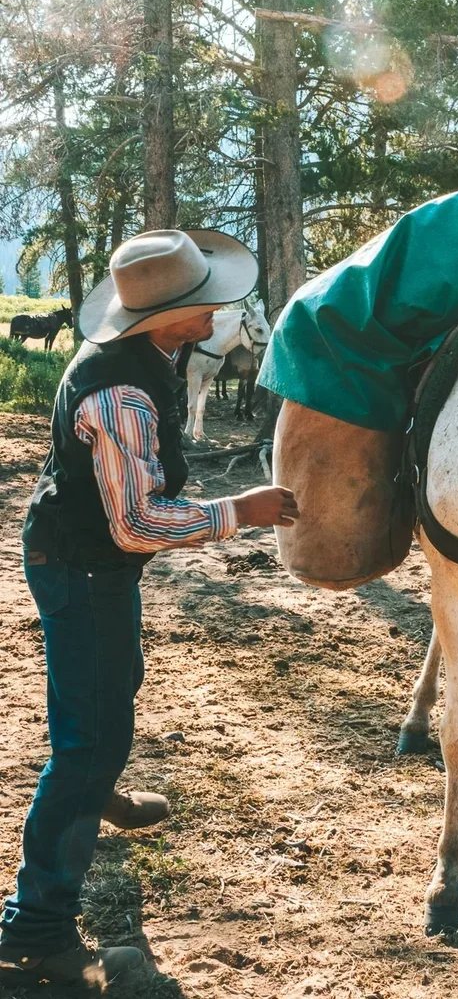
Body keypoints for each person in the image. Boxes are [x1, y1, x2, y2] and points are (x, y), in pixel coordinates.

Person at [0, 229, 298, 991]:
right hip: (85, 566)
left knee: (109, 691)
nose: (217, 308)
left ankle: (96, 792)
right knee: (87, 738)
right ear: (170, 316)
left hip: (83, 560)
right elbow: (135, 522)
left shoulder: (146, 363)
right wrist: (241, 510)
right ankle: (34, 933)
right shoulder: (122, 390)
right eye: (205, 301)